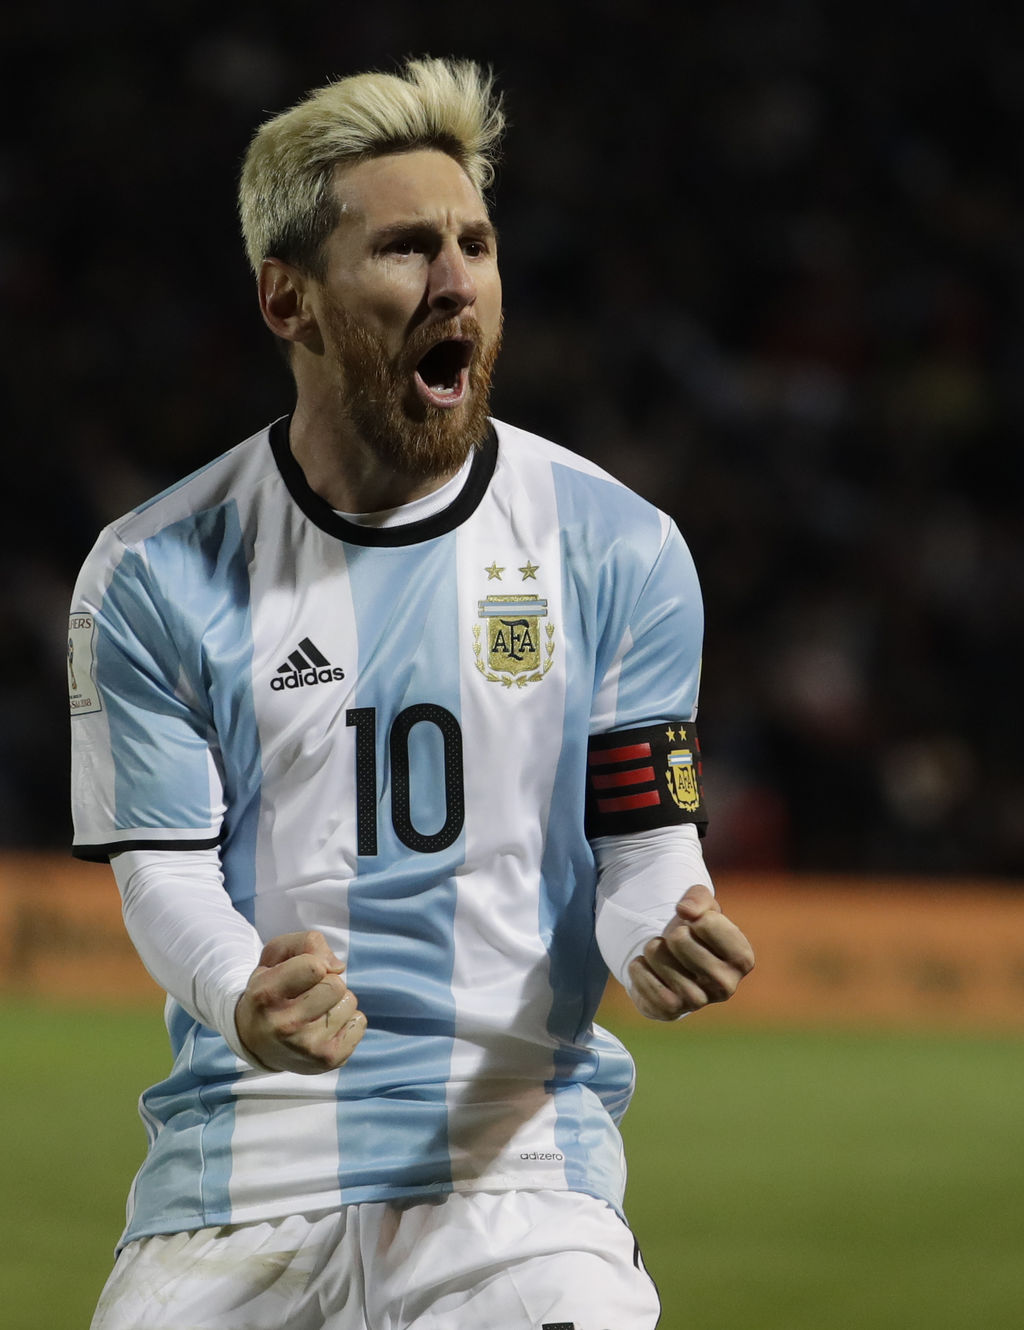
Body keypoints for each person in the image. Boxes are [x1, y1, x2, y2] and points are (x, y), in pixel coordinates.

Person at [68, 56, 755, 1330]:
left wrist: (658, 928)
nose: (456, 282)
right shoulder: (154, 569)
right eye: (404, 248)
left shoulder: (617, 548)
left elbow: (642, 849)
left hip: (516, 1175)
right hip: (240, 1174)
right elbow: (162, 873)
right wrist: (244, 992)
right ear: (289, 299)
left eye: (475, 245)